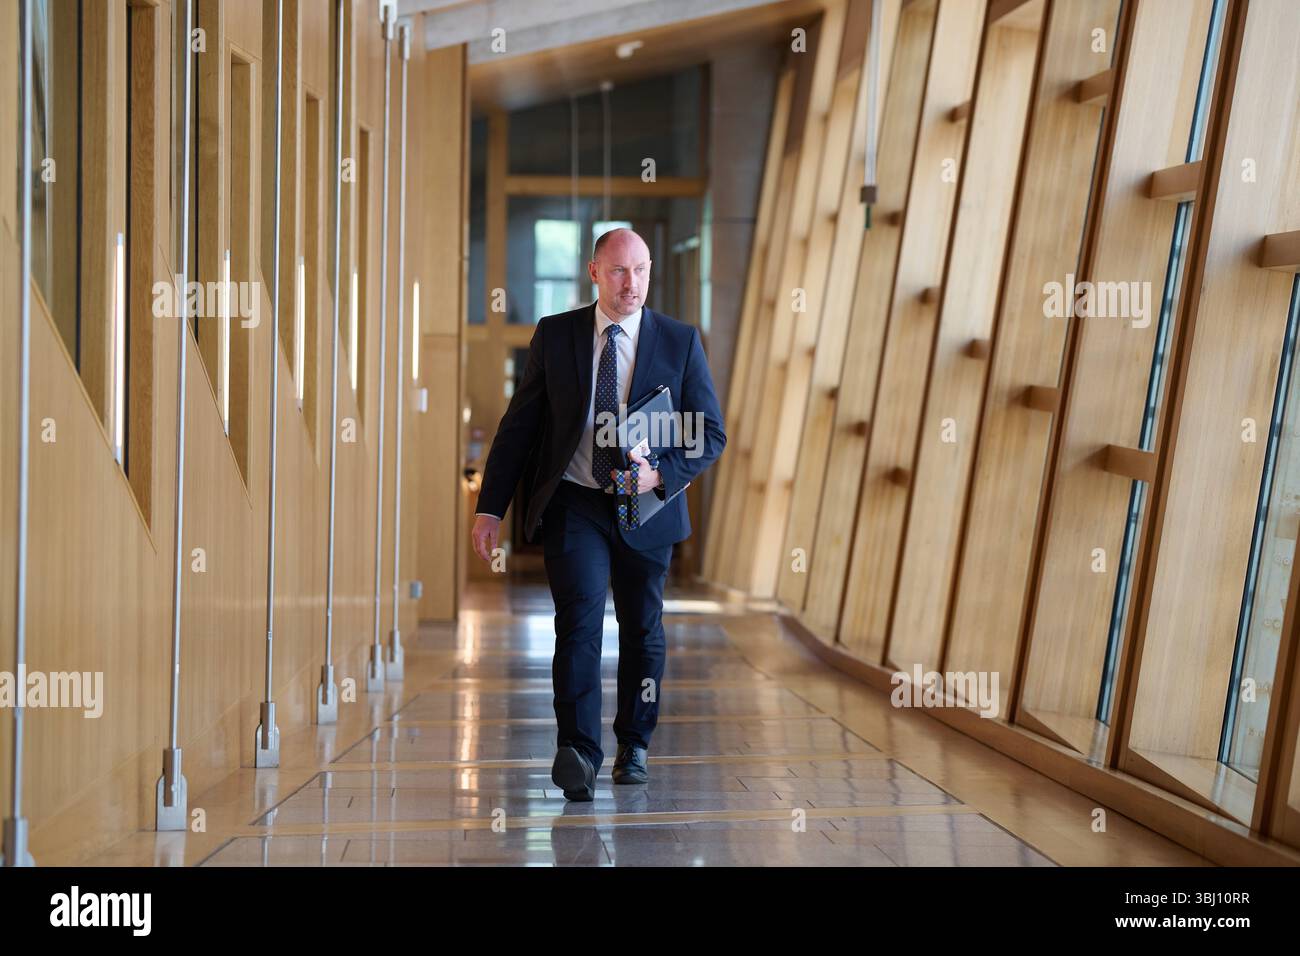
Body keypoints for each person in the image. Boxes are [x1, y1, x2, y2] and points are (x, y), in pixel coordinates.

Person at [470, 227, 726, 800]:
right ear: (593, 273)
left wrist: (660, 472)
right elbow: (520, 429)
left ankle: (634, 742)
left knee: (641, 630)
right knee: (578, 623)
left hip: (649, 506)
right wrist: (491, 508)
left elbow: (711, 432)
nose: (629, 283)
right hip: (577, 500)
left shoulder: (680, 342)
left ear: (650, 271)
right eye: (617, 271)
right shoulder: (556, 336)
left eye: (639, 270)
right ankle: (579, 751)